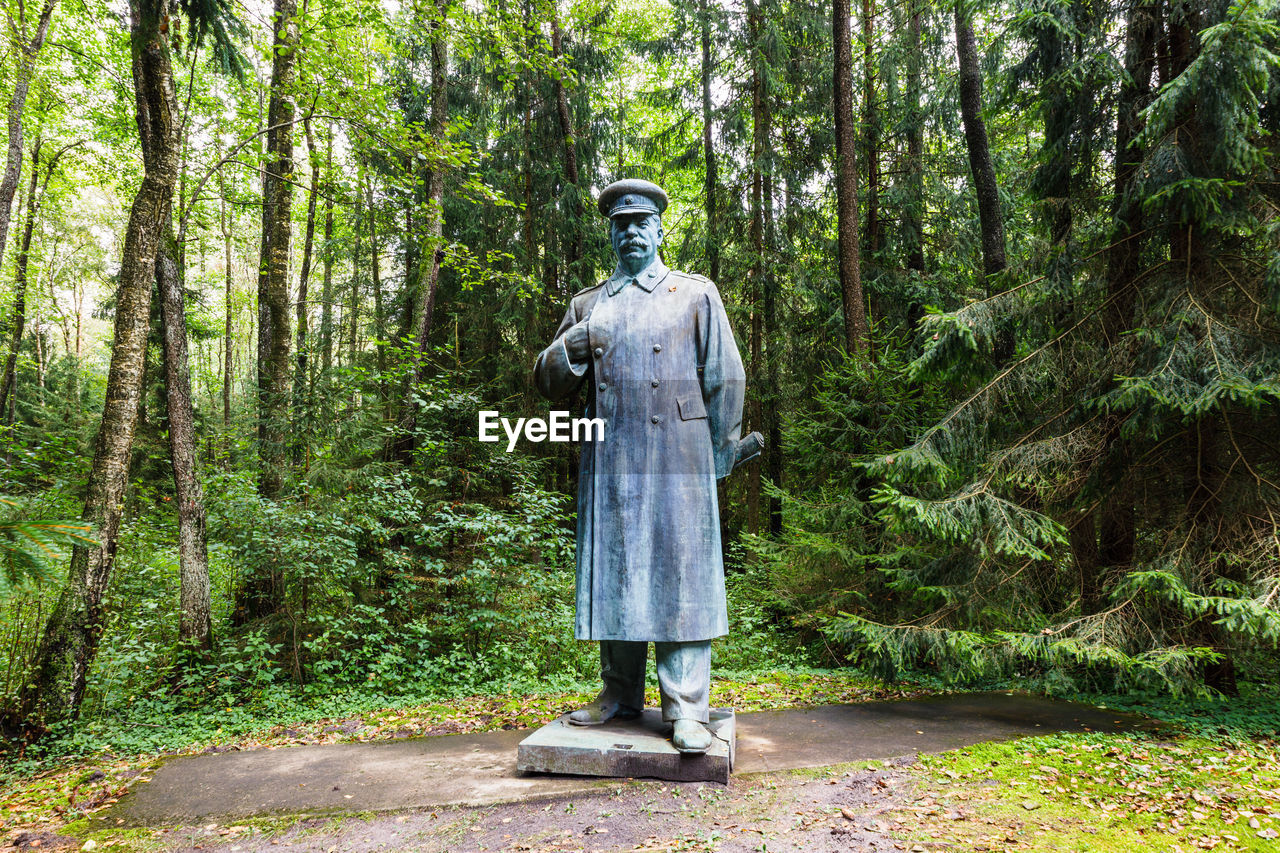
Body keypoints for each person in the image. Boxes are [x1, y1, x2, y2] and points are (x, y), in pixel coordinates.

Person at [533, 179, 757, 754]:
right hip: (610, 457)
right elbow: (547, 383)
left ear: (660, 228)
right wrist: (573, 346)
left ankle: (686, 707)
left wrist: (720, 451)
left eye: (642, 222)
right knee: (617, 571)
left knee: (679, 573)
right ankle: (620, 694)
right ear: (609, 231)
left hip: (679, 456)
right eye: (621, 223)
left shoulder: (693, 293)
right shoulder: (589, 304)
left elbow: (725, 375)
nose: (631, 230)